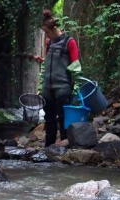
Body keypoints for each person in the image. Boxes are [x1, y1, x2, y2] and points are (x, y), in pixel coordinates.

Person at [34, 9, 82, 147]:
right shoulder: (49, 43)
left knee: (62, 116)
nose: (46, 35)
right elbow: (52, 61)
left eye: (47, 32)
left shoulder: (69, 42)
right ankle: (49, 146)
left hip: (63, 86)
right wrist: (42, 60)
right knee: (49, 118)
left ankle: (64, 144)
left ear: (55, 28)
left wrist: (76, 86)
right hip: (48, 87)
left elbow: (75, 65)